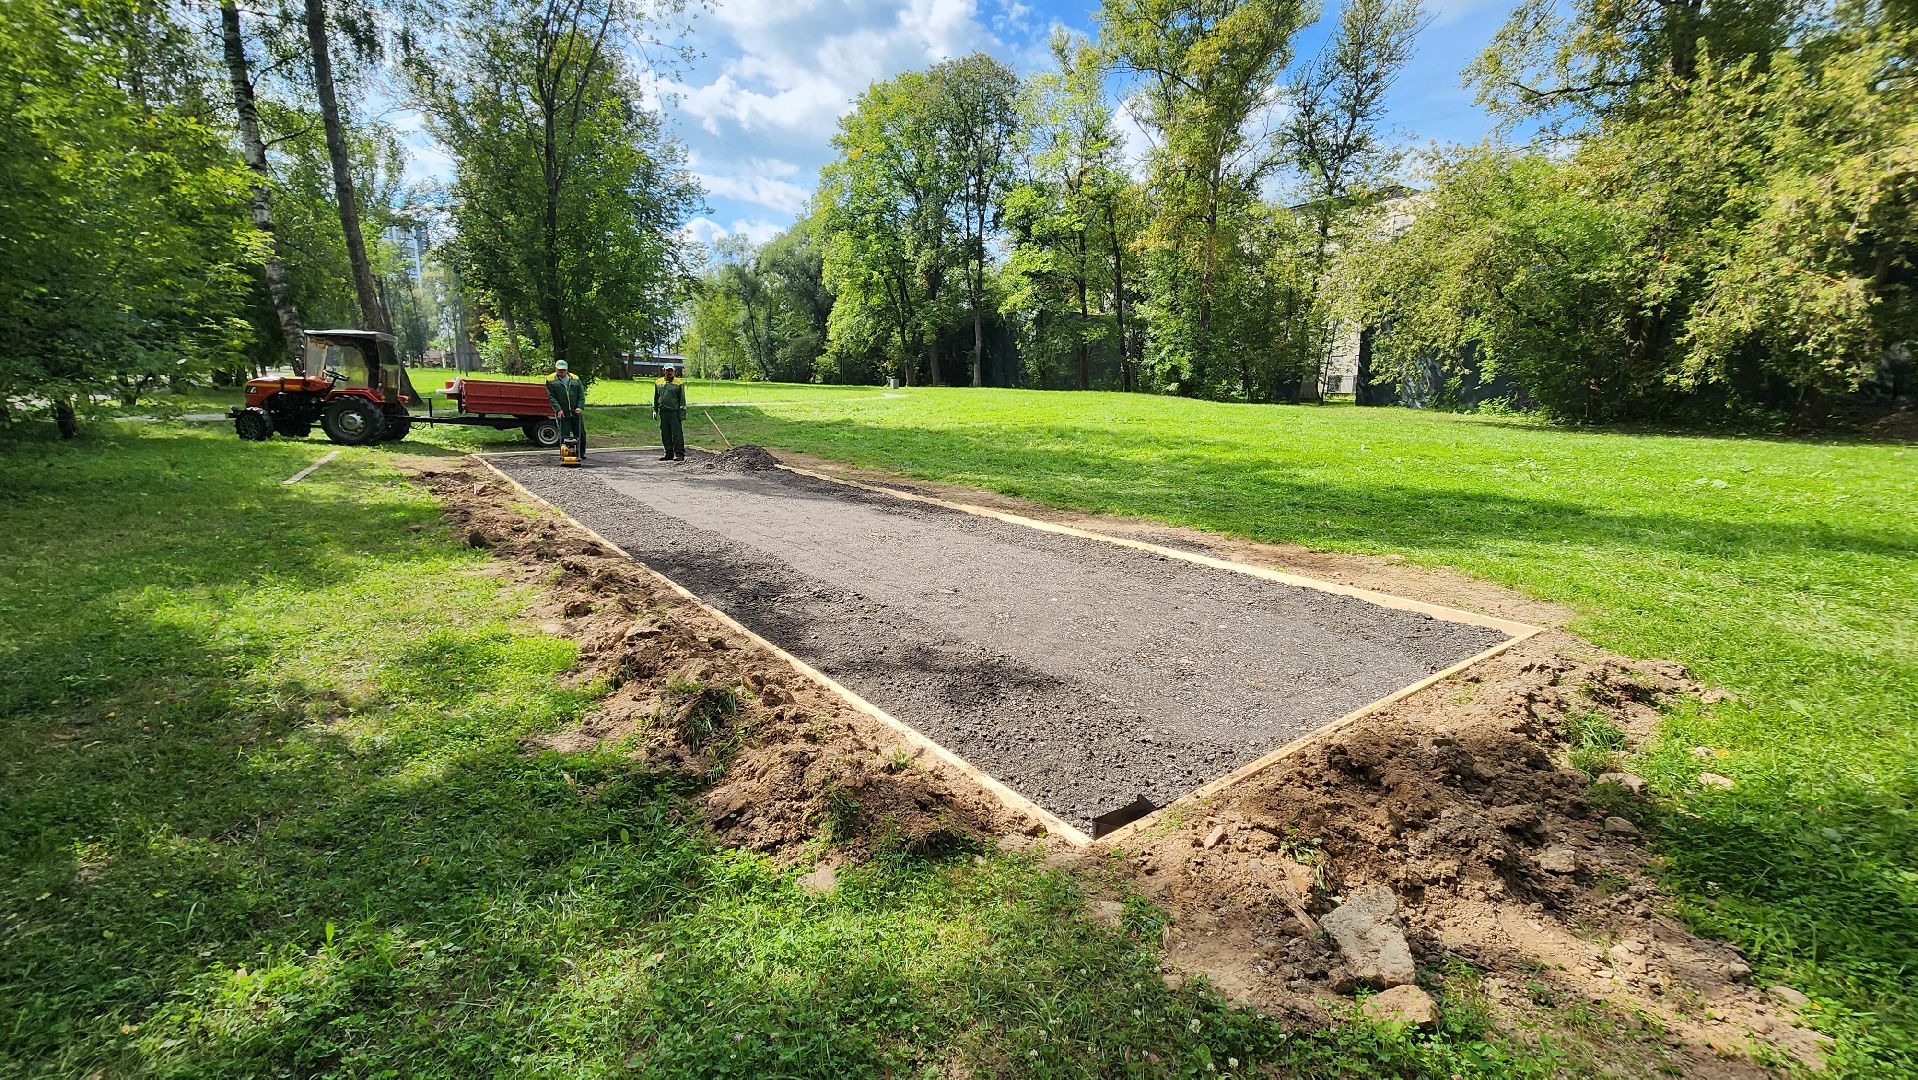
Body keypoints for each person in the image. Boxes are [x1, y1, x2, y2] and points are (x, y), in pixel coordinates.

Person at [545, 359, 586, 460]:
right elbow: (552, 397)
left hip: (575, 412)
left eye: (564, 370)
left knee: (580, 434)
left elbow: (581, 395)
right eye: (560, 370)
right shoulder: (551, 380)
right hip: (563, 413)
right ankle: (565, 454)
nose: (562, 372)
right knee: (564, 435)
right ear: (556, 369)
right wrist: (558, 409)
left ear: (567, 370)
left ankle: (580, 453)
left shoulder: (575, 379)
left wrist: (580, 407)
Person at [652, 366, 686, 461]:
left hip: (674, 412)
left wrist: (682, 414)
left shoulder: (679, 383)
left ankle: (679, 454)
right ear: (664, 371)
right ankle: (668, 453)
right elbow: (656, 397)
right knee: (665, 433)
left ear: (674, 372)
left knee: (677, 434)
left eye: (671, 371)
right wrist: (655, 410)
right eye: (667, 371)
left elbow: (682, 400)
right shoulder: (658, 382)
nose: (669, 373)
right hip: (663, 412)